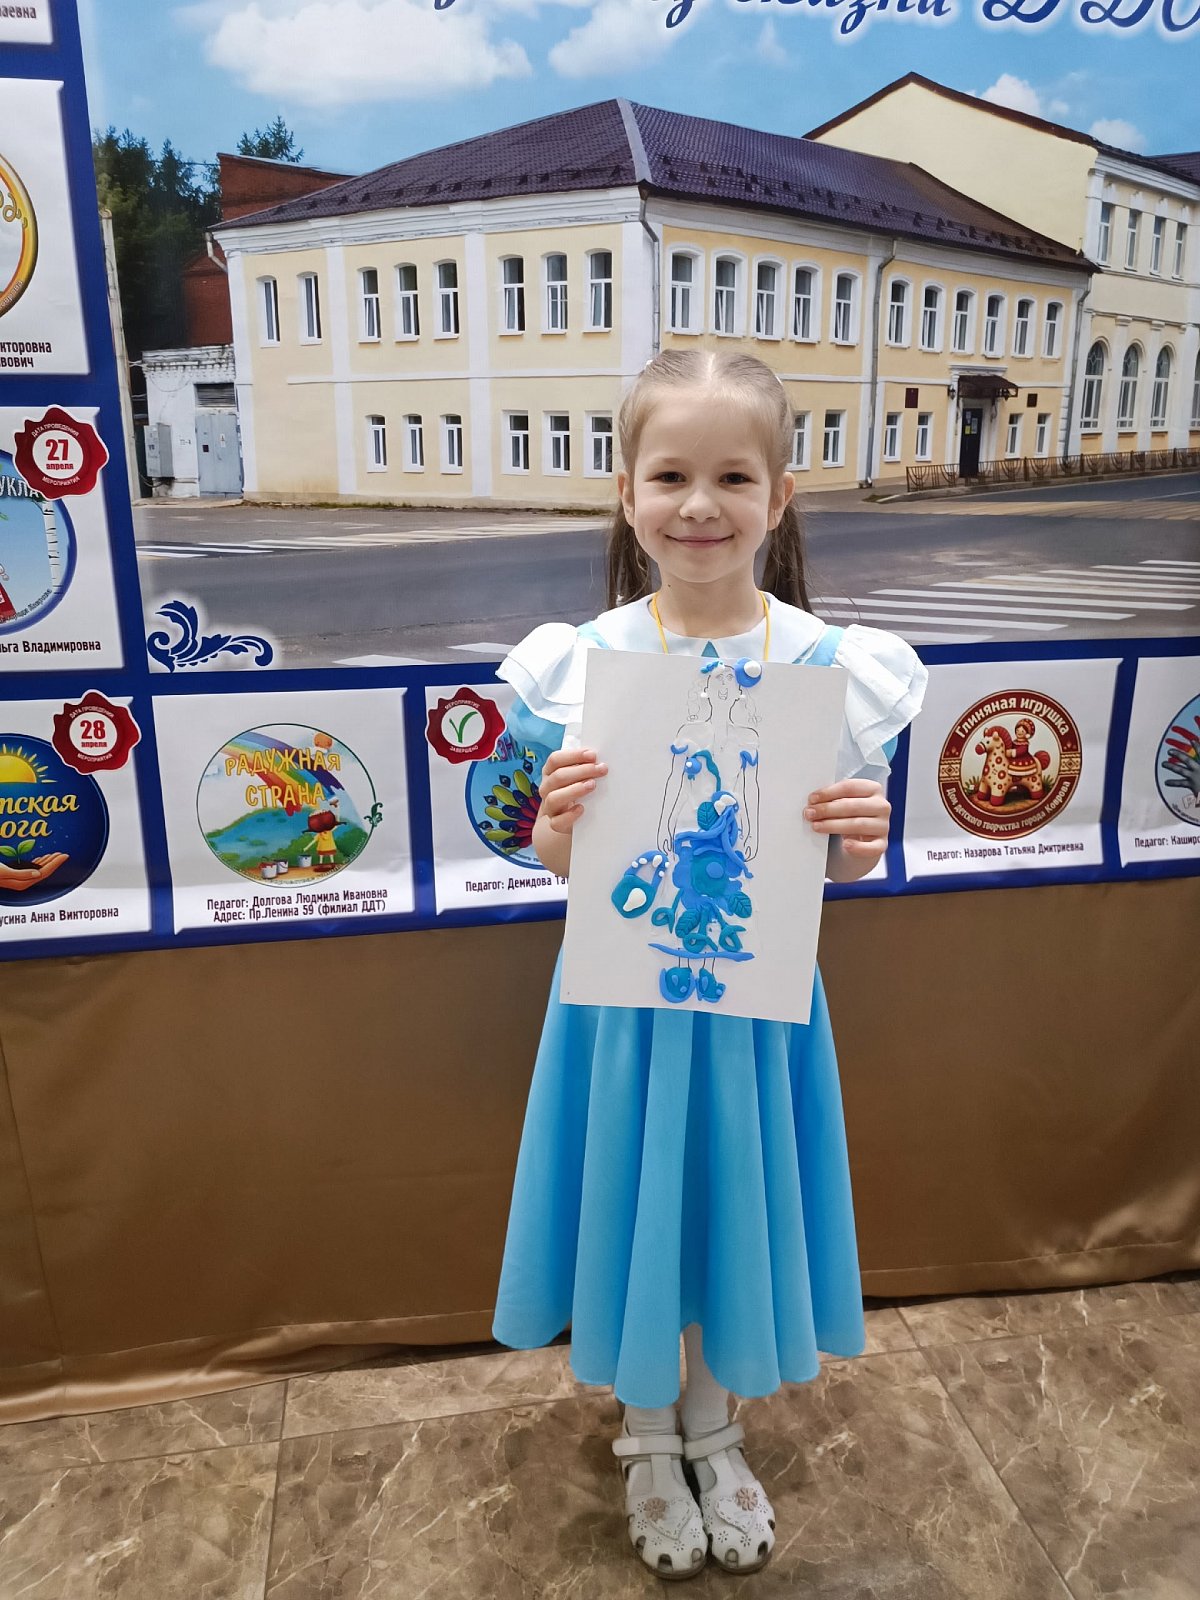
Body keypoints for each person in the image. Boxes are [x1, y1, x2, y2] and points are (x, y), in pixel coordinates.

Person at [491, 349, 927, 1580]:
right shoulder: (580, 665)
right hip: (620, 1008)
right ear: (626, 492)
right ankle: (646, 1432)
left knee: (727, 1196)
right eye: (671, 475)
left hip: (754, 1008)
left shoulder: (831, 669)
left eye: (733, 477)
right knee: (638, 1198)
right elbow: (558, 859)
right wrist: (559, 822)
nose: (700, 504)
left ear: (779, 497)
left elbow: (840, 871)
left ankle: (711, 1422)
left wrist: (861, 838)